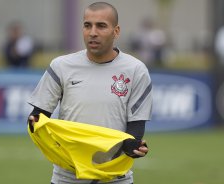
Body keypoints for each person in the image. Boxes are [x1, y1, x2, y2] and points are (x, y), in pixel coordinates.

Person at [28, 2, 152, 184]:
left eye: (101, 26)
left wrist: (132, 146)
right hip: (67, 177)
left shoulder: (136, 70)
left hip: (115, 178)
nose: (93, 32)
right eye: (87, 25)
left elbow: (135, 128)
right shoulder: (61, 66)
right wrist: (35, 123)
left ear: (116, 31)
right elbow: (39, 116)